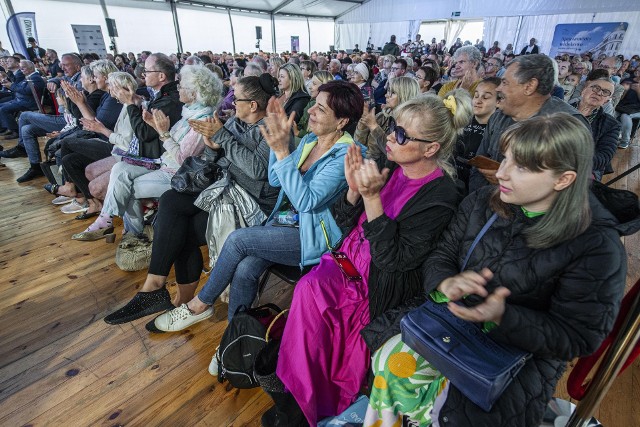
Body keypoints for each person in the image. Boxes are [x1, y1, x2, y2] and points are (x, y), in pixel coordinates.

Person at [362, 113, 632, 427]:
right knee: (387, 360)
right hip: (450, 324)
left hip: (513, 365)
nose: (501, 174)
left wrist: (502, 317)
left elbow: (578, 337)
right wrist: (446, 284)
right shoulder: (482, 202)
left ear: (563, 179)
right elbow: (442, 254)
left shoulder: (597, 246)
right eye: (504, 160)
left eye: (522, 167)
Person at [274, 91, 472, 426]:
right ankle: (298, 393)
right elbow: (345, 220)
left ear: (431, 148)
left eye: (402, 134)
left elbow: (393, 260)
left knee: (312, 295)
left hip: (378, 281)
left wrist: (371, 198)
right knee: (308, 292)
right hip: (347, 261)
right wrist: (353, 192)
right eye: (393, 126)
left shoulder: (441, 197)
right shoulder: (389, 163)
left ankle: (317, 400)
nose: (390, 137)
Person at [145, 80, 364, 333]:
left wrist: (282, 152)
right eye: (314, 103)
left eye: (321, 109)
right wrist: (276, 145)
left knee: (238, 240)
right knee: (246, 268)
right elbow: (274, 178)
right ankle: (233, 336)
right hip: (283, 221)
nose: (311, 111)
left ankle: (199, 304)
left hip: (312, 235)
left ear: (342, 122)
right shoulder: (310, 142)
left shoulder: (347, 155)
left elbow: (305, 202)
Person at [102, 73, 285, 323]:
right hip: (223, 192)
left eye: (236, 99)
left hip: (251, 204)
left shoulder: (271, 129)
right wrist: (211, 147)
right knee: (170, 201)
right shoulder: (234, 124)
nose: (231, 103)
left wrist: (220, 137)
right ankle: (157, 287)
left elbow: (258, 170)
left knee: (182, 230)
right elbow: (213, 163)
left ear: (253, 105)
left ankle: (171, 296)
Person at [71, 64, 221, 241]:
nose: (178, 88)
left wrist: (164, 132)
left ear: (194, 93)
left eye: (182, 86)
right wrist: (154, 125)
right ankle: (110, 222)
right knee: (120, 168)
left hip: (178, 175)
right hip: (163, 164)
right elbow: (169, 142)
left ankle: (133, 234)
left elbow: (183, 160)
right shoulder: (189, 113)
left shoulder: (202, 121)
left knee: (126, 189)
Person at [470, 54, 588, 191]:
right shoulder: (498, 117)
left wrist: (509, 182)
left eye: (505, 83)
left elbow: (571, 188)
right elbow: (477, 168)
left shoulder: (569, 125)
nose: (498, 88)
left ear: (530, 86)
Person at [0, 53, 83, 159]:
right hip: (64, 117)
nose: (62, 68)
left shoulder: (81, 79)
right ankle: (35, 166)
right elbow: (61, 78)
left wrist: (64, 101)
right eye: (62, 65)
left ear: (77, 66)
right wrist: (53, 80)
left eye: (66, 65)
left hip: (69, 120)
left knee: (24, 116)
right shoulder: (69, 77)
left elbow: (28, 91)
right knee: (26, 129)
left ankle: (21, 147)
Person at [569, 72, 620, 180]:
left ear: (607, 101)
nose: (599, 93)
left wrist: (574, 161)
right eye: (596, 88)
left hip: (585, 167)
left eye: (606, 92)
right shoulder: (562, 109)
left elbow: (604, 156)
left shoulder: (611, 125)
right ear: (583, 91)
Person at [356, 76, 420, 160]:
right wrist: (363, 121)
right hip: (366, 162)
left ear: (404, 95)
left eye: (392, 92)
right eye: (388, 91)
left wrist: (374, 126)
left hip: (384, 169)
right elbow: (358, 143)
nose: (386, 95)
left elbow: (394, 154)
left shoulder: (409, 124)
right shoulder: (382, 116)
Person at [454, 77, 500, 191]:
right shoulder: (461, 121)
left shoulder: (497, 132)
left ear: (499, 102)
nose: (478, 101)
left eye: (486, 97)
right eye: (476, 95)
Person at [0, 60, 45, 141]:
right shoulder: (28, 77)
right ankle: (8, 127)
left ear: (31, 68)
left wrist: (11, 85)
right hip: (21, 100)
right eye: (20, 69)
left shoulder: (35, 77)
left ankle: (15, 131)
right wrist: (10, 84)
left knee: (3, 109)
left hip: (28, 103)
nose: (21, 71)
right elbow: (20, 87)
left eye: (23, 68)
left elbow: (27, 91)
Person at [295, 70, 333, 140]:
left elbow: (317, 133)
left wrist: (298, 132)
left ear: (324, 86)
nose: (310, 87)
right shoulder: (312, 101)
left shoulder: (319, 105)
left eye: (314, 84)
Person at [616, 67, 640, 149]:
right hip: (623, 106)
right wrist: (625, 90)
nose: (637, 71)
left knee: (625, 116)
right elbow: (620, 98)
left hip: (636, 109)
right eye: (637, 70)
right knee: (611, 113)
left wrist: (638, 91)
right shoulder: (627, 80)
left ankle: (625, 140)